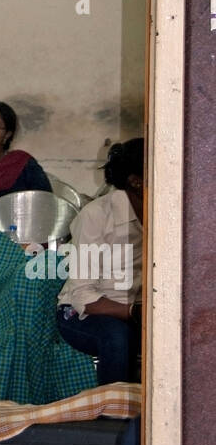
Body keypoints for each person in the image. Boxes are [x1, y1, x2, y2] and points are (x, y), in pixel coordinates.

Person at [56, 138, 144, 385]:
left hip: (138, 313)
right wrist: (135, 312)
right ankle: (112, 418)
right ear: (136, 181)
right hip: (81, 313)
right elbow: (83, 296)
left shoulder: (168, 213)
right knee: (117, 336)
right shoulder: (96, 216)